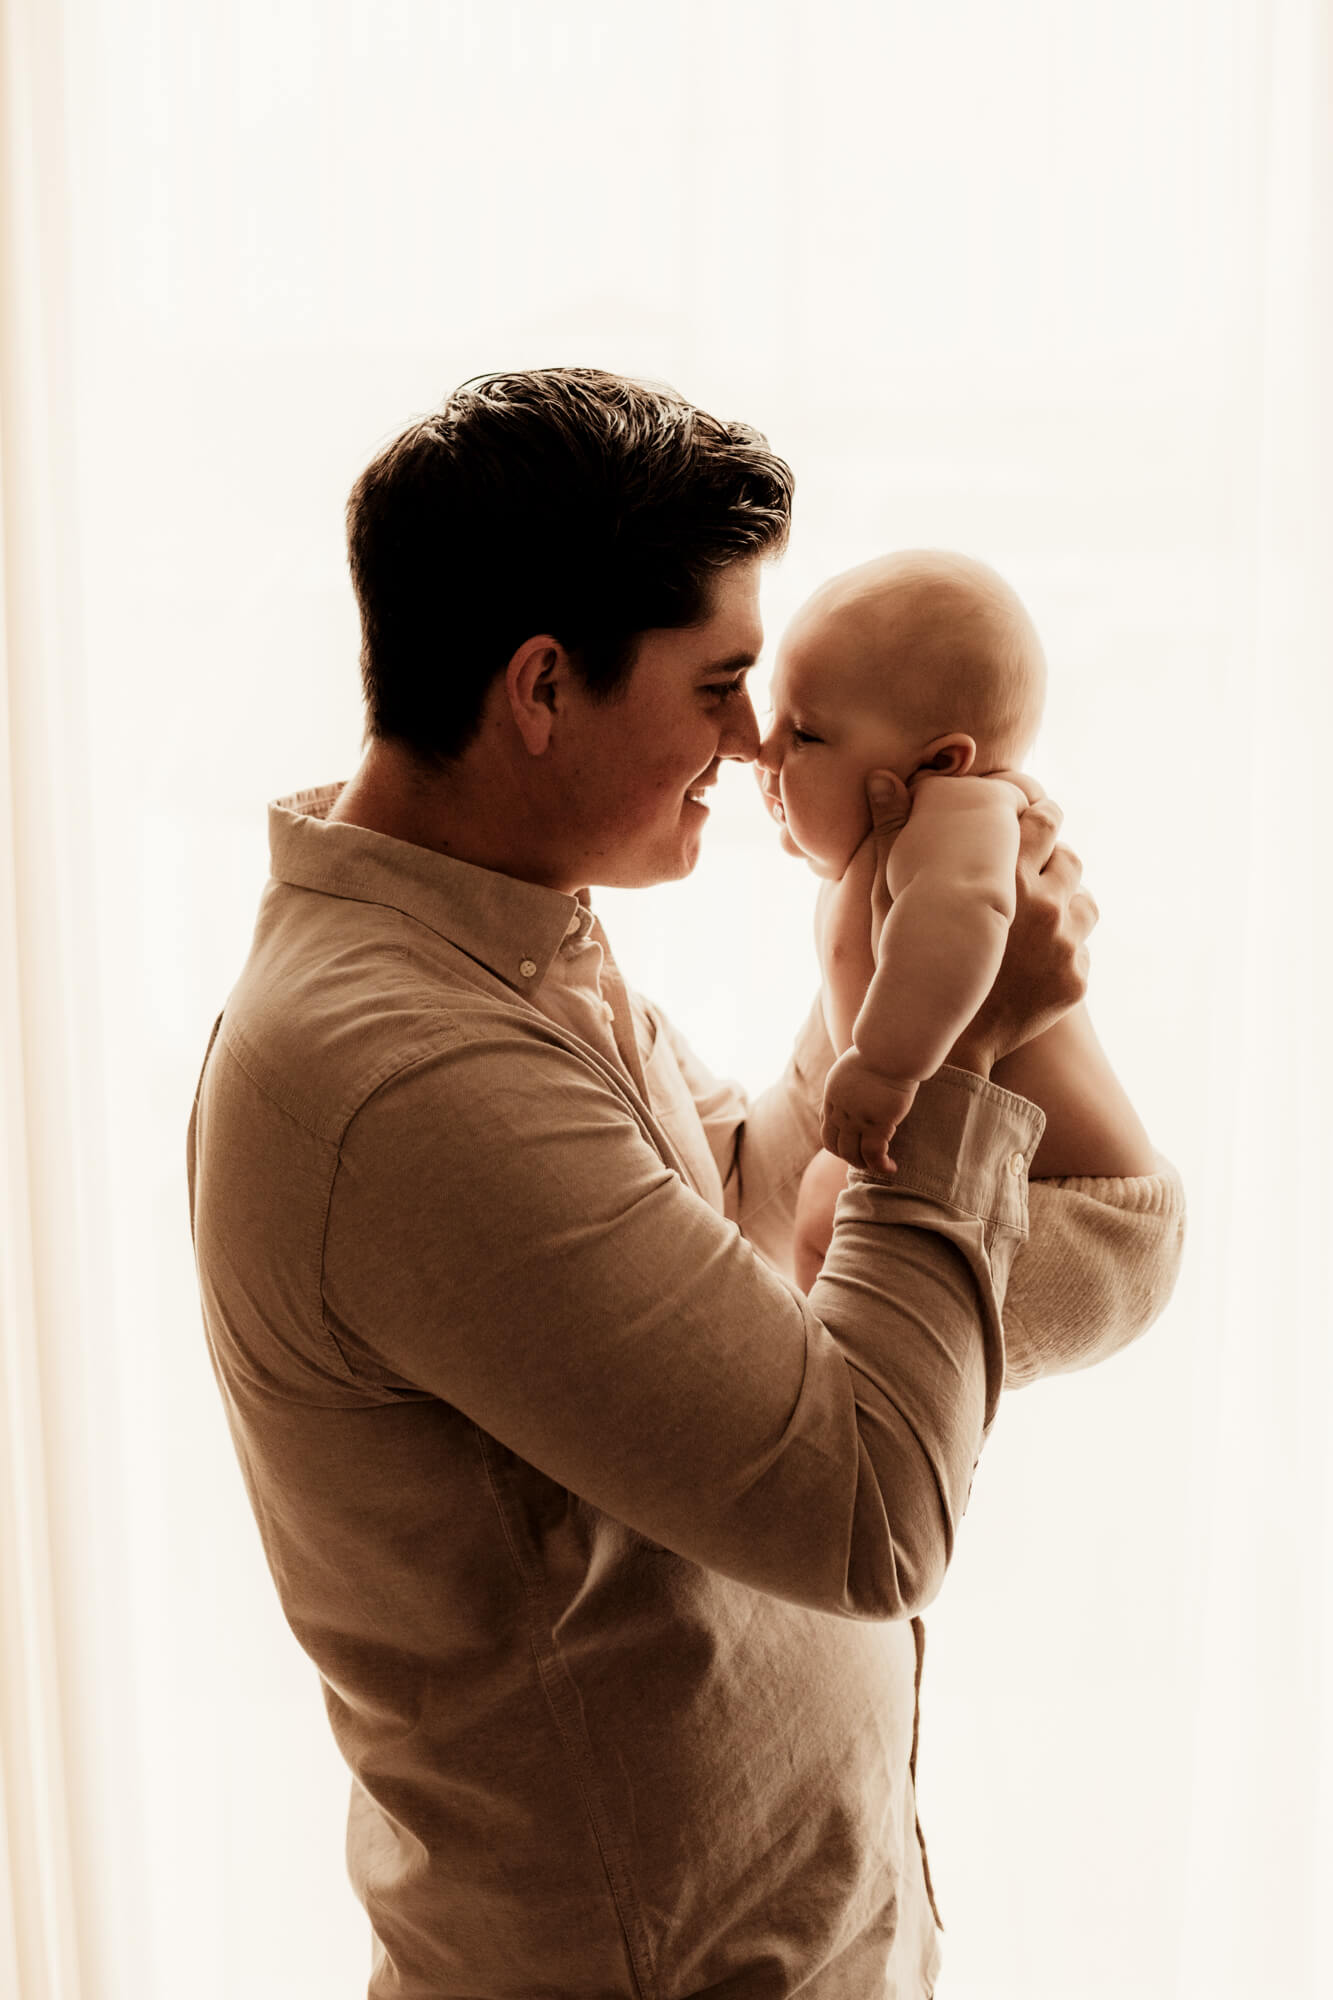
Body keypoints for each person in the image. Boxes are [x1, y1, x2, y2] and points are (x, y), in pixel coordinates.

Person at [186, 367, 1185, 2000]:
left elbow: (728, 1207)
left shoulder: (502, 936)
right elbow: (869, 1515)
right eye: (720, 685)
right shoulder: (394, 1071)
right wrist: (964, 1047)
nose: (750, 739)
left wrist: (900, 938)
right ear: (539, 688)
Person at [760, 549, 1157, 1292]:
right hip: (1010, 1181)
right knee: (823, 1205)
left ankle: (848, 1381)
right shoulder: (886, 843)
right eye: (773, 716)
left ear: (941, 761)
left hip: (1078, 1205)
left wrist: (882, 1068)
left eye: (805, 734)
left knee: (831, 1218)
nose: (763, 749)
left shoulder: (958, 811)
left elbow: (964, 916)